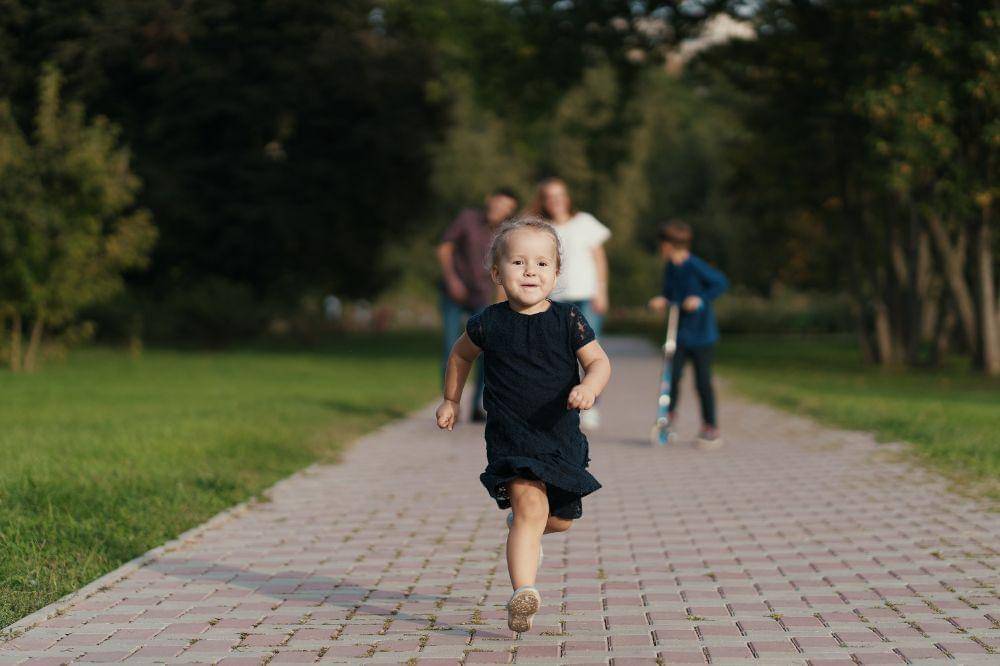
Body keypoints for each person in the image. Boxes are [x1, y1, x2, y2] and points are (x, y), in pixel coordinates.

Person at [436, 217, 611, 633]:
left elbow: (599, 362)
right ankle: (523, 593)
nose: (530, 271)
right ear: (497, 273)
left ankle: (522, 529)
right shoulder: (488, 322)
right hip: (511, 436)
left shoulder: (569, 320)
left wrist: (589, 387)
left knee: (559, 519)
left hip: (560, 436)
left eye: (541, 264)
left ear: (555, 273)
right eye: (518, 262)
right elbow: (460, 357)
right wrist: (451, 400)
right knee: (531, 506)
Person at [529, 178, 611, 430]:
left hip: (585, 295)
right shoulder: (541, 228)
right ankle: (557, 404)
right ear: (543, 200)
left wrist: (602, 291)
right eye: (550, 196)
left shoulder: (585, 221)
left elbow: (599, 259)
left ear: (567, 197)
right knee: (555, 353)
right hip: (554, 297)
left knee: (589, 352)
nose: (556, 200)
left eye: (560, 195)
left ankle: (591, 405)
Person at [437, 188, 519, 421]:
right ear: (489, 199)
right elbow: (445, 248)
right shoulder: (467, 218)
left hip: (483, 296)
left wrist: (503, 307)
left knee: (486, 350)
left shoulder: (505, 234)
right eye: (500, 203)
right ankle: (450, 404)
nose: (501, 209)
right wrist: (451, 279)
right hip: (454, 293)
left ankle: (478, 405)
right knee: (451, 349)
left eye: (508, 208)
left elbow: (504, 269)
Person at [648, 220, 729, 449]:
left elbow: (721, 282)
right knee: (671, 378)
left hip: (702, 335)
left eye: (662, 244)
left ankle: (710, 426)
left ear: (670, 245)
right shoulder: (670, 268)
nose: (661, 248)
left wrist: (700, 298)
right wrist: (662, 300)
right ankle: (667, 420)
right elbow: (669, 294)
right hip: (679, 334)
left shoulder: (694, 265)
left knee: (703, 382)